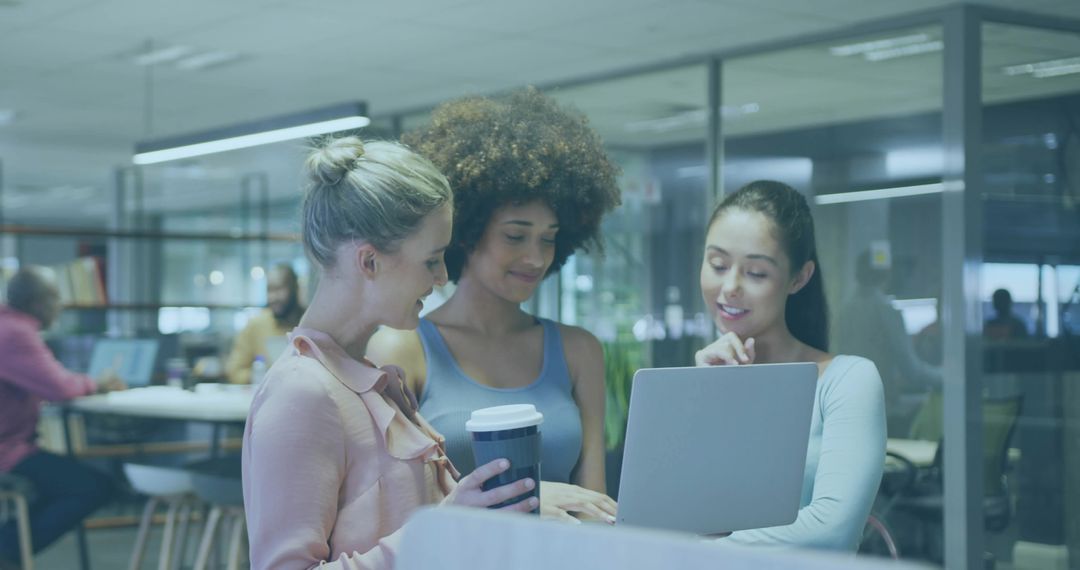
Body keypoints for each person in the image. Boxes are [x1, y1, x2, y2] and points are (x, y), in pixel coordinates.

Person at [242, 137, 537, 570]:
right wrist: (441, 531)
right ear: (369, 262)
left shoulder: (368, 381)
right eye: (432, 260)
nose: (441, 278)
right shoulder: (303, 394)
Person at [369, 89, 621, 523]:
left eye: (548, 238)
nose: (535, 258)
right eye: (515, 235)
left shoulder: (579, 350)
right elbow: (388, 512)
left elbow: (596, 506)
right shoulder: (402, 350)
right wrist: (530, 501)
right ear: (465, 232)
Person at [694, 181, 885, 551]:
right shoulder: (702, 376)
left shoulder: (847, 380)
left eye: (756, 273)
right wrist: (705, 397)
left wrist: (690, 551)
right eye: (717, 264)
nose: (730, 286)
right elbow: (672, 515)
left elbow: (833, 530)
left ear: (799, 277)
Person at [0, 267, 124, 566]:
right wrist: (97, 383)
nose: (62, 305)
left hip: (13, 446)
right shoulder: (16, 333)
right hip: (8, 451)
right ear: (37, 301)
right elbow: (59, 386)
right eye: (56, 297)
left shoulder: (9, 326)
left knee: (65, 482)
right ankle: (7, 550)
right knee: (92, 486)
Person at [834, 250, 939, 436]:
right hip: (878, 413)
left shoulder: (844, 310)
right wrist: (949, 377)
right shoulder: (885, 311)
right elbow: (912, 371)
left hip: (847, 408)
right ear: (886, 274)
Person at [225, 263, 305, 384]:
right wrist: (266, 375)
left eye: (279, 289)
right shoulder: (256, 325)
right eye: (269, 290)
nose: (272, 297)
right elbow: (234, 372)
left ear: (295, 288)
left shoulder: (311, 323)